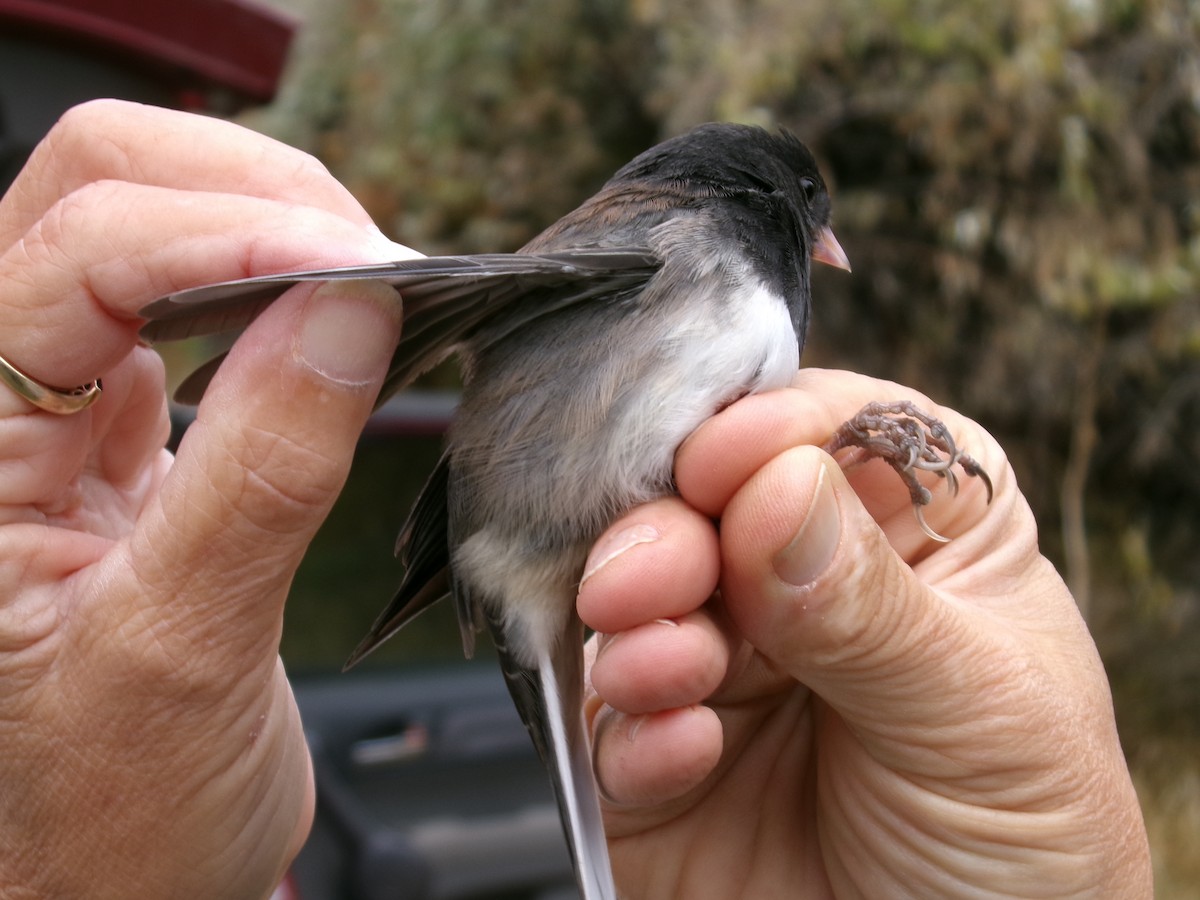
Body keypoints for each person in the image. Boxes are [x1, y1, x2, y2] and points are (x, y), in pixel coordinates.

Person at [0, 99, 1151, 898]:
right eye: (815, 207)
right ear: (777, 197)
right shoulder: (675, 230)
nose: (826, 241)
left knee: (760, 492)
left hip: (577, 527)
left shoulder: (718, 264)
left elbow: (711, 455)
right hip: (530, 514)